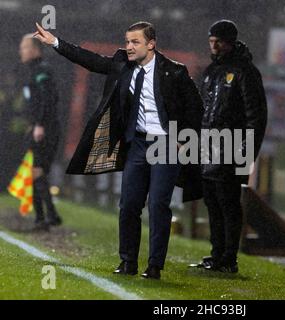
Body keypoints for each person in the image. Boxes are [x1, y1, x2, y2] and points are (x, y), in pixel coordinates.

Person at [34, 21, 203, 280]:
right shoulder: (123, 64)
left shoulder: (175, 72)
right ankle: (128, 262)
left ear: (151, 43)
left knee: (158, 205)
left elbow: (195, 109)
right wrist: (55, 42)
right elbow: (90, 60)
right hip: (137, 144)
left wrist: (183, 140)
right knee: (129, 205)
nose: (129, 47)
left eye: (135, 42)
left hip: (166, 146)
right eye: (127, 42)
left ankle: (155, 265)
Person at [189, 20, 267, 273]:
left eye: (218, 42)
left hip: (231, 148)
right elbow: (204, 110)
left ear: (230, 41)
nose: (214, 46)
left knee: (228, 204)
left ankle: (228, 259)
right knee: (212, 203)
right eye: (212, 41)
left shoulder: (245, 72)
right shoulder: (212, 72)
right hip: (209, 148)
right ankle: (216, 255)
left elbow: (256, 116)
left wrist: (246, 153)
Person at [19, 34, 62, 230]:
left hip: (44, 128)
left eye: (25, 46)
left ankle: (47, 216)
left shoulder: (42, 70)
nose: (21, 50)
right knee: (37, 172)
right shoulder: (33, 71)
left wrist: (39, 124)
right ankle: (44, 218)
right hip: (40, 127)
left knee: (36, 171)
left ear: (35, 49)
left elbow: (48, 98)